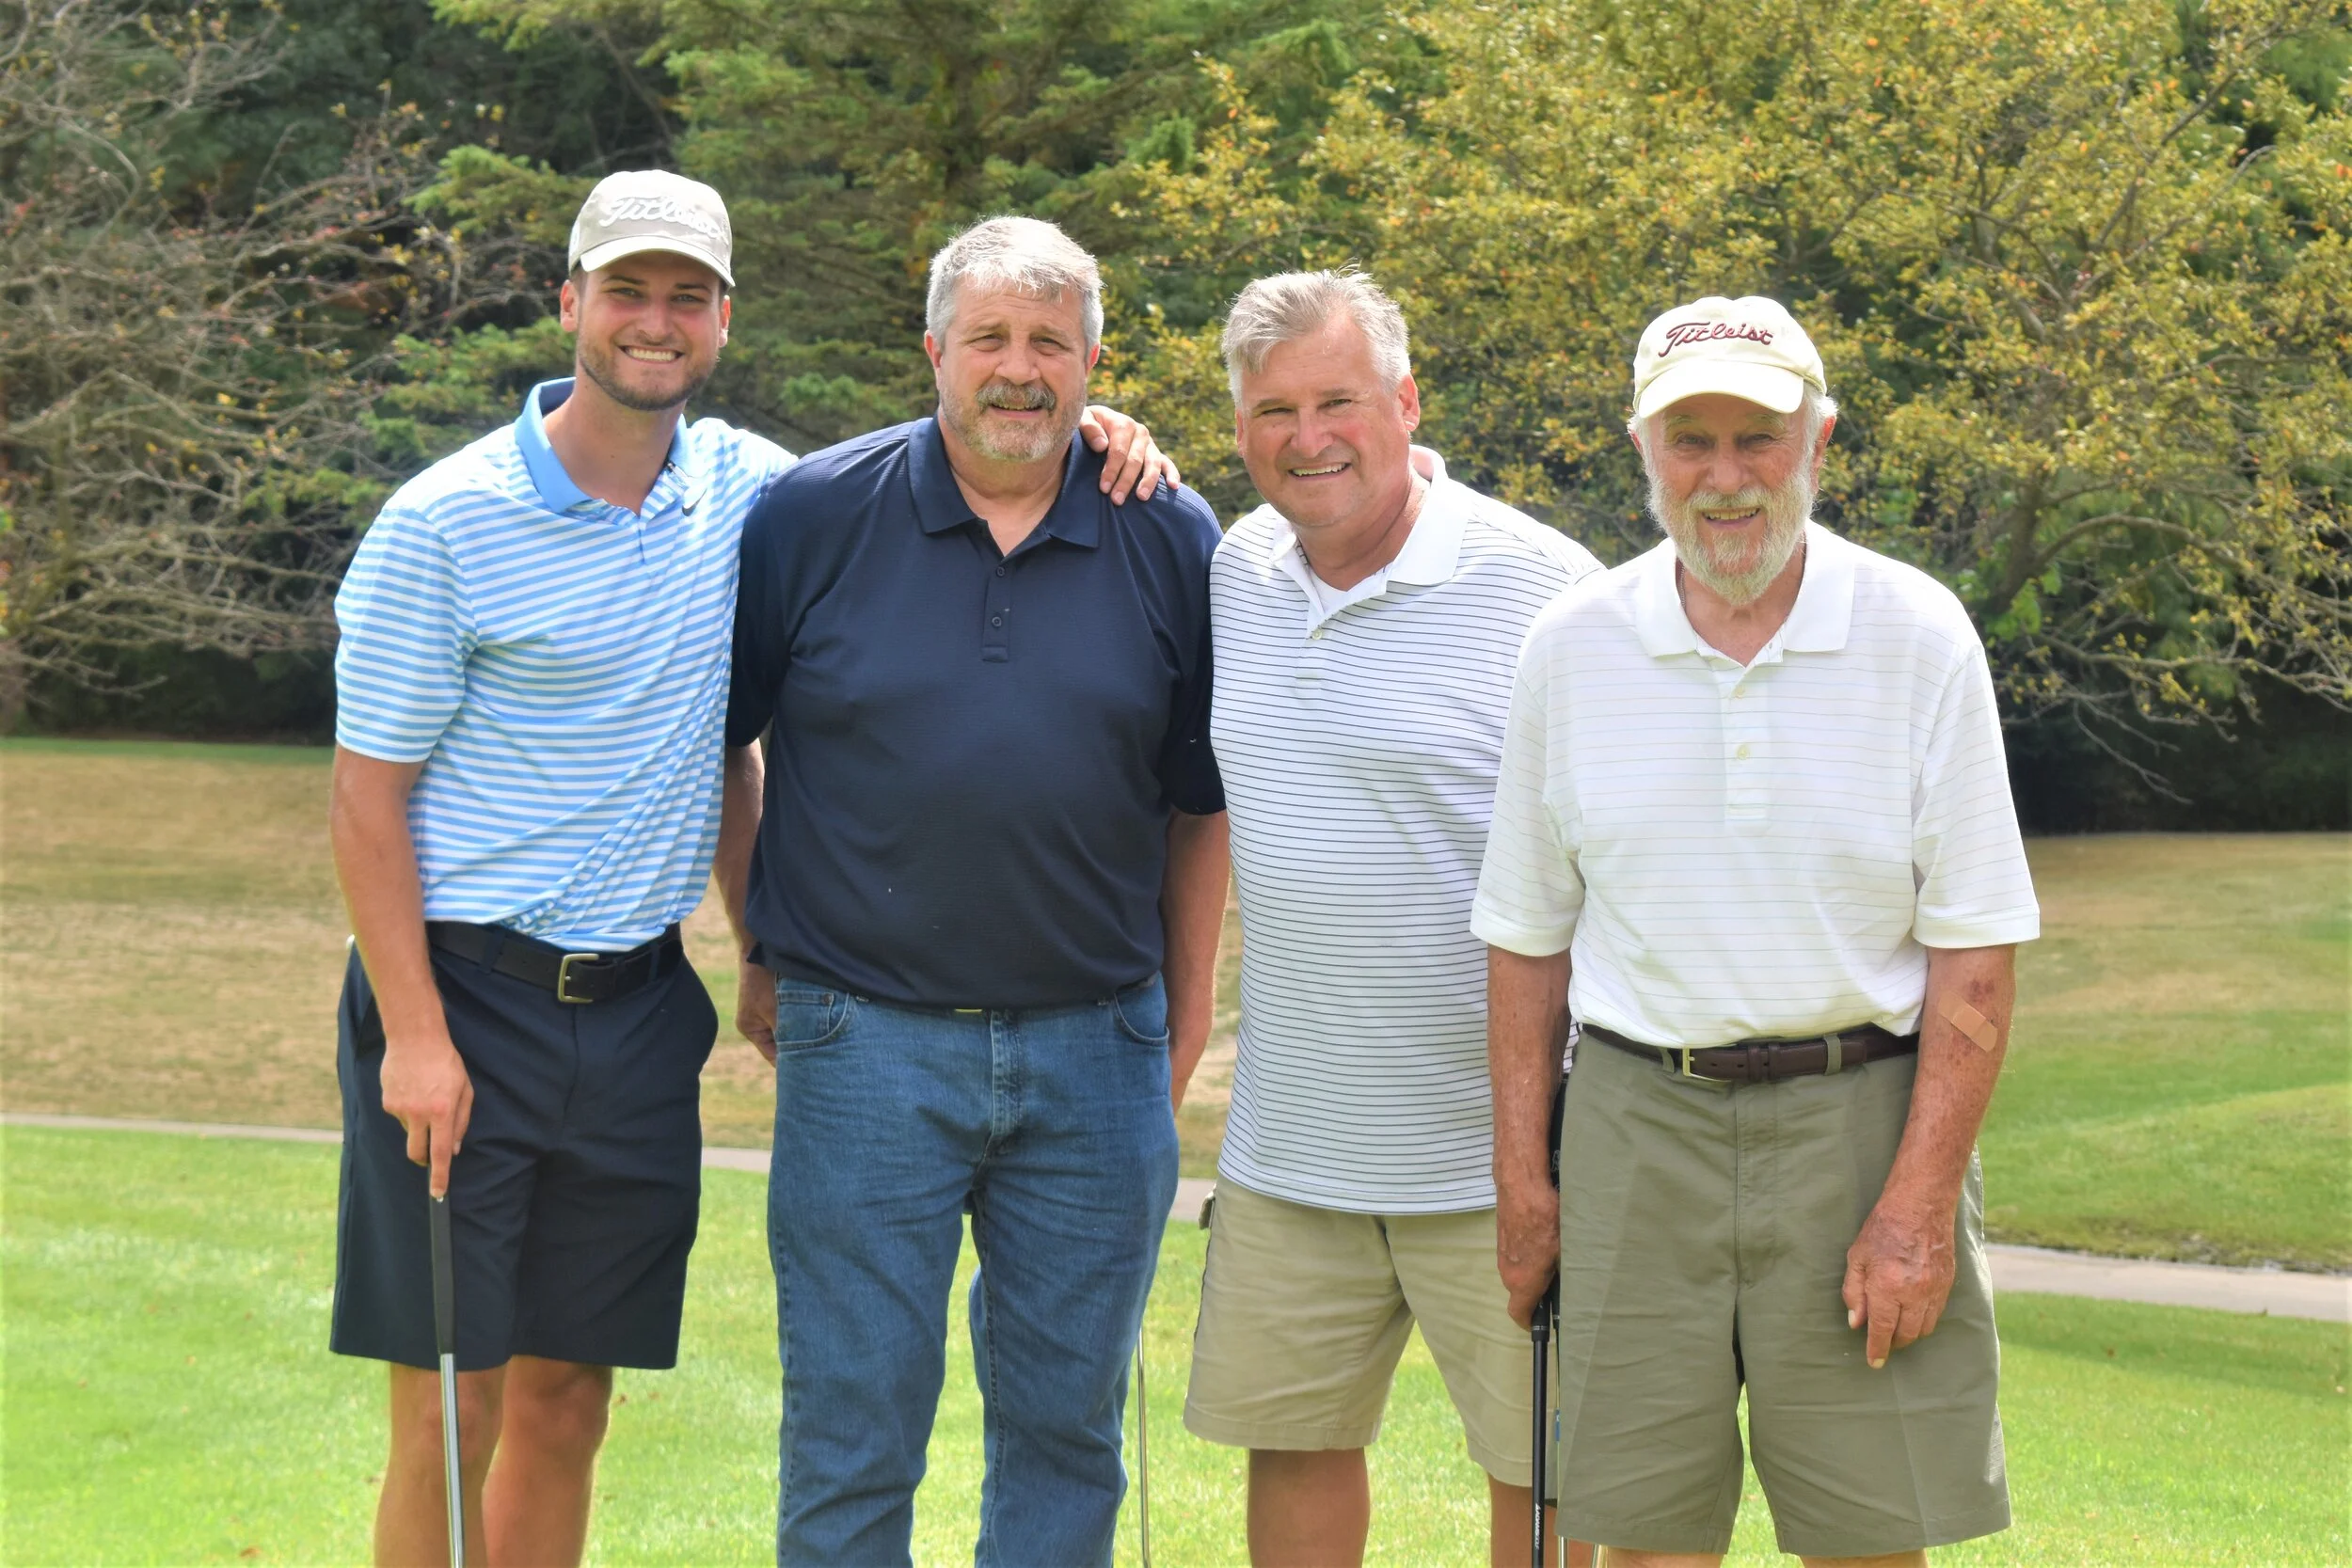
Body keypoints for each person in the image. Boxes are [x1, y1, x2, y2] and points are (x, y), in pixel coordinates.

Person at [329, 174, 1172, 1568]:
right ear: (570, 305)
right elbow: (365, 800)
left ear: (723, 320)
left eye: (687, 297)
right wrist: (414, 1036)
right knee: (451, 1408)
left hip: (637, 1011)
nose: (655, 322)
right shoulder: (447, 519)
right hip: (462, 1000)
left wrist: (1102, 432)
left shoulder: (757, 494)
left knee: (565, 1398)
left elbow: (964, 443)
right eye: (626, 292)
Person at [1475, 296, 2042, 1567]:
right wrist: (1523, 1177)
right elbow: (1524, 938)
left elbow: (1976, 955)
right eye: (1692, 441)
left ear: (1819, 443)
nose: (1725, 477)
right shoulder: (1570, 647)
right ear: (1644, 451)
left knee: (1868, 1535)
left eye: (1758, 438)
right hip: (1635, 1122)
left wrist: (1919, 1205)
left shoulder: (1920, 635)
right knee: (1643, 1535)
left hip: (1862, 1124)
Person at [718, 214, 1231, 1567]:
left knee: (1069, 1443)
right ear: (934, 349)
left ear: (1093, 364)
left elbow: (1200, 803)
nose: (1018, 368)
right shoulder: (814, 515)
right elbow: (727, 743)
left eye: (1050, 342)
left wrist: (1181, 1023)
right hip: (864, 1044)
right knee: (851, 1438)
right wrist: (759, 941)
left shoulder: (1169, 532)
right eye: (989, 337)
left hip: (1096, 1052)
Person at [1181, 269, 1599, 1568]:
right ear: (1240, 427)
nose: (1307, 438)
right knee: (1294, 1454)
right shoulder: (1233, 569)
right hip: (1291, 1149)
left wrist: (1550, 1149)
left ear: (1407, 403)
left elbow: (1620, 874)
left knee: (1547, 1480)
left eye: (1339, 402)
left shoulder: (1549, 594)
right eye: (1274, 411)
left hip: (1506, 1159)